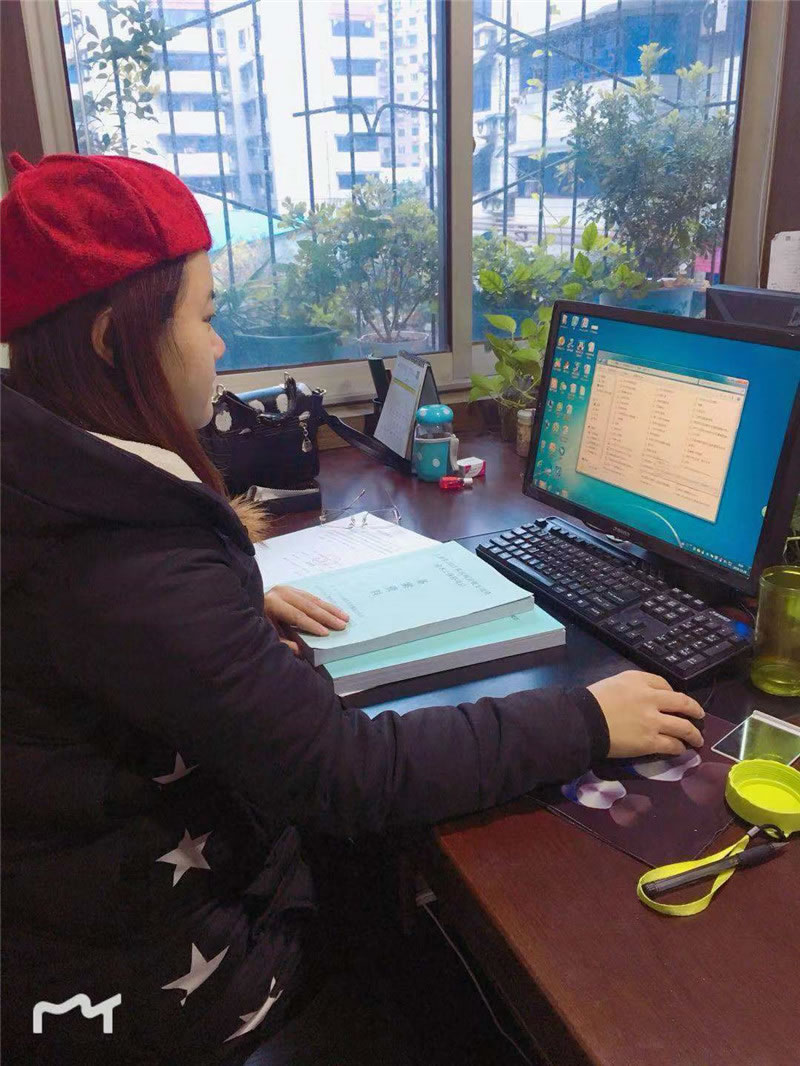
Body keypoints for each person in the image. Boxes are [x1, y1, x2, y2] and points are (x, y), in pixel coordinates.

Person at [0, 153, 705, 1066]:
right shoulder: (128, 563)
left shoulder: (49, 482)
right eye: (206, 317)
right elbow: (346, 772)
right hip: (146, 975)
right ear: (113, 338)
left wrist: (230, 607)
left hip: (68, 907)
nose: (219, 347)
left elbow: (106, 636)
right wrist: (586, 719)